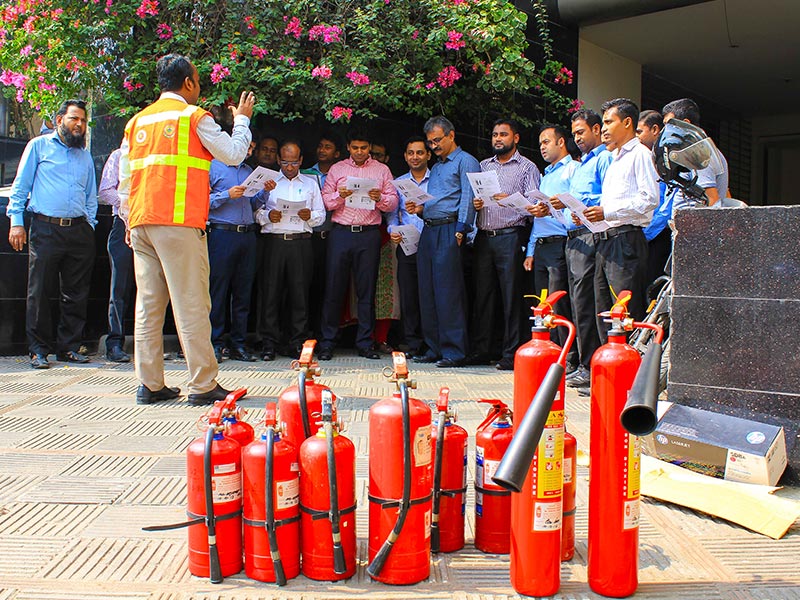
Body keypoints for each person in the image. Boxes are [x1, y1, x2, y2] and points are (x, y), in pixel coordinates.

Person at [118, 54, 255, 406]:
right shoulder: (193, 117)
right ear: (189, 83)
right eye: (199, 80)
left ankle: (149, 384)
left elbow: (125, 180)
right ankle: (203, 384)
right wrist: (242, 121)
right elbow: (235, 154)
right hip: (178, 223)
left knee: (148, 305)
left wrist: (128, 221)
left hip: (142, 222)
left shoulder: (137, 122)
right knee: (191, 302)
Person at [7, 99, 97, 369]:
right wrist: (16, 222)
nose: (79, 124)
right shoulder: (38, 146)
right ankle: (38, 350)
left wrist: (90, 224)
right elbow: (20, 186)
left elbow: (90, 194)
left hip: (79, 230)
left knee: (76, 293)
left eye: (82, 120)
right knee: (39, 290)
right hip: (45, 228)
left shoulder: (85, 155)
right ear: (59, 120)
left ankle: (68, 348)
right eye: (74, 119)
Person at [579, 98, 659, 340]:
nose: (603, 128)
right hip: (606, 241)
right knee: (604, 313)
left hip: (626, 242)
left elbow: (650, 199)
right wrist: (589, 215)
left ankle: (629, 374)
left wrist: (608, 212)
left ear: (627, 122)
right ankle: (608, 374)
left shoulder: (640, 155)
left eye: (608, 122)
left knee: (623, 313)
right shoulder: (614, 160)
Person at [318, 129, 398, 360]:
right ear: (348, 148)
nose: (360, 152)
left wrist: (379, 198)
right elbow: (325, 200)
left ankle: (365, 343)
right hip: (341, 232)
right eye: (355, 148)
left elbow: (392, 202)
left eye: (364, 148)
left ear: (369, 148)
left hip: (368, 234)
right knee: (334, 288)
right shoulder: (338, 169)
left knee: (367, 290)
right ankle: (327, 343)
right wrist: (339, 195)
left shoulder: (382, 170)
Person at [408, 116, 479, 368]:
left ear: (451, 135)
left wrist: (462, 230)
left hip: (451, 228)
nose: (434, 146)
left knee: (449, 292)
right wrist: (420, 209)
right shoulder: (437, 167)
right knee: (427, 290)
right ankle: (433, 346)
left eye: (437, 140)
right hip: (429, 229)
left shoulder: (466, 161)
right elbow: (437, 199)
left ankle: (455, 351)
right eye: (430, 142)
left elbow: (469, 197)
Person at [471, 118, 541, 371]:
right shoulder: (483, 166)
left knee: (511, 297)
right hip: (483, 236)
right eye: (494, 135)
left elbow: (535, 207)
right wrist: (476, 204)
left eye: (503, 134)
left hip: (511, 235)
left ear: (516, 138)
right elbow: (476, 198)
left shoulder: (526, 167)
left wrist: (511, 200)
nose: (498, 139)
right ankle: (482, 349)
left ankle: (511, 353)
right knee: (483, 296)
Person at [555, 109, 613, 389]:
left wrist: (585, 205)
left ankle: (591, 364)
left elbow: (610, 196)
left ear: (597, 129)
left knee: (588, 303)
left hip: (591, 236)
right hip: (572, 237)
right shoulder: (581, 164)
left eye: (581, 132)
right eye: (574, 133)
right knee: (577, 304)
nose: (577, 138)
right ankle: (581, 362)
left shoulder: (604, 159)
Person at [255, 140, 325, 360]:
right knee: (271, 292)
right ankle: (269, 342)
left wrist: (310, 216)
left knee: (299, 293)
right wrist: (268, 216)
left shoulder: (311, 183)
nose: (289, 167)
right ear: (278, 160)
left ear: (301, 160)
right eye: (285, 162)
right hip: (275, 241)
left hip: (301, 241)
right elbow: (255, 212)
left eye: (294, 163)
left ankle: (298, 342)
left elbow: (321, 214)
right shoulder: (268, 182)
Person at [524, 124, 578, 369]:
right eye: (540, 143)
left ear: (561, 142)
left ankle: (565, 356)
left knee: (559, 302)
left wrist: (554, 208)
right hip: (542, 246)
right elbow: (539, 219)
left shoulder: (573, 170)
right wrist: (531, 250)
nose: (542, 147)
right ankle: (548, 353)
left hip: (561, 242)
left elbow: (575, 206)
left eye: (546, 141)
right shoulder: (545, 176)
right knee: (542, 302)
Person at [207, 139, 264, 364]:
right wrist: (226, 195)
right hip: (222, 233)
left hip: (247, 234)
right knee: (218, 291)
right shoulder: (214, 166)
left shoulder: (249, 171)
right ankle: (215, 343)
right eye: (245, 146)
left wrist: (265, 192)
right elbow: (201, 200)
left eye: (251, 147)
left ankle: (239, 344)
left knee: (243, 292)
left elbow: (253, 204)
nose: (248, 151)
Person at [387, 135, 429, 357]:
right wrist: (393, 231)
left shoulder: (438, 180)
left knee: (430, 295)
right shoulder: (399, 183)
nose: (415, 157)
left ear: (428, 155)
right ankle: (412, 343)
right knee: (409, 296)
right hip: (406, 245)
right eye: (411, 153)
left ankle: (431, 342)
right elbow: (393, 216)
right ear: (405, 156)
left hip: (431, 244)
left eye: (420, 152)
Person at [302, 132, 341, 338]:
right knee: (308, 283)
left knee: (330, 285)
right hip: (309, 236)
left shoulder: (341, 174)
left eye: (327, 147)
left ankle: (323, 332)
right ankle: (306, 331)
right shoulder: (305, 173)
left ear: (337, 153)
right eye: (320, 146)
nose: (322, 150)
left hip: (333, 235)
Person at [661, 98, 729, 210]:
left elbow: (711, 201)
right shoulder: (694, 151)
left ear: (685, 123)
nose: (665, 130)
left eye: (669, 124)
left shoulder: (701, 153)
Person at [98, 147, 133, 363]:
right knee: (119, 287)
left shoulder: (153, 157)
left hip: (150, 224)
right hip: (122, 223)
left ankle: (149, 343)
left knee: (152, 288)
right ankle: (115, 343)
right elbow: (105, 190)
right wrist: (128, 202)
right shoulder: (119, 156)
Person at [637, 110, 672, 287]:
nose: (637, 138)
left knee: (654, 285)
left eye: (640, 132)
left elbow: (668, 203)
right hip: (645, 233)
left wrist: (649, 231)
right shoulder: (645, 156)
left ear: (655, 129)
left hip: (659, 232)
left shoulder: (666, 158)